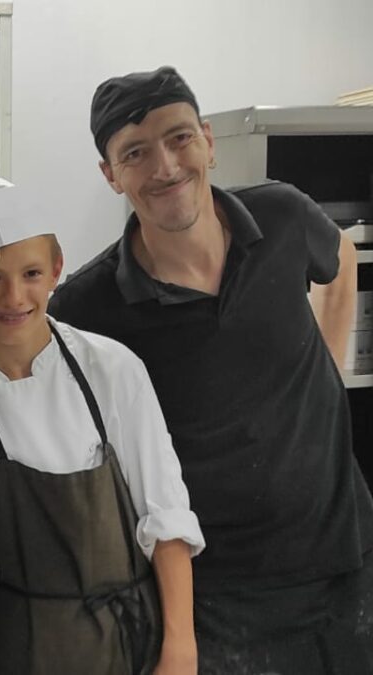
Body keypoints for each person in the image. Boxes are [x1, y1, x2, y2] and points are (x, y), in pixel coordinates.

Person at [48, 66, 373, 674]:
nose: (166, 167)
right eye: (135, 153)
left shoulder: (280, 216)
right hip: (214, 600)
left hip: (346, 561)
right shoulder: (88, 306)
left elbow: (343, 255)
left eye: (179, 138)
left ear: (208, 141)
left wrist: (328, 375)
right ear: (110, 174)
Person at [0, 178, 204, 675]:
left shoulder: (114, 371)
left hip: (137, 639)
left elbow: (166, 516)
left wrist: (180, 650)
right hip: (26, 648)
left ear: (56, 270)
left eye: (31, 272)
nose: (14, 296)